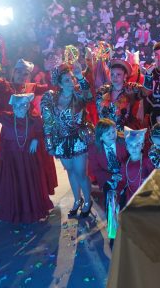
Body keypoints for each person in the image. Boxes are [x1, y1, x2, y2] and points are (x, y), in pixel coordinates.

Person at [41, 63, 94, 218]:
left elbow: (89, 96)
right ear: (59, 84)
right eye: (66, 80)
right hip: (61, 141)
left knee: (81, 173)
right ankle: (77, 200)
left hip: (78, 138)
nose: (71, 81)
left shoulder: (79, 94)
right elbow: (48, 122)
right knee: (70, 171)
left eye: (72, 78)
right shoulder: (51, 98)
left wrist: (79, 76)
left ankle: (87, 201)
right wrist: (50, 144)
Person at [0, 93, 54, 223]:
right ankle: (16, 210)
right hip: (12, 159)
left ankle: (32, 209)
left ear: (28, 107)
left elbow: (41, 132)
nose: (21, 108)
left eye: (24, 105)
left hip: (28, 158)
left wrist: (36, 140)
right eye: (18, 106)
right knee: (15, 183)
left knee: (30, 182)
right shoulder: (6, 118)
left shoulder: (34, 119)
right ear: (13, 107)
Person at [88, 119, 127, 246]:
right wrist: (110, 178)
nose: (112, 135)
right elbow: (95, 168)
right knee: (111, 202)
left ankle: (130, 229)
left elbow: (131, 159)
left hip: (125, 176)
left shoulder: (123, 141)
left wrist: (122, 175)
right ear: (101, 137)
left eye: (113, 131)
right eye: (108, 134)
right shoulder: (94, 148)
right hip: (108, 178)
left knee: (126, 202)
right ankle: (114, 234)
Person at [95, 59, 150, 130]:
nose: (115, 77)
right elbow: (88, 97)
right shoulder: (103, 90)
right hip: (105, 134)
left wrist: (148, 76)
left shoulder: (130, 88)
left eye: (118, 74)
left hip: (124, 135)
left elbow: (146, 92)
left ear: (125, 76)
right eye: (112, 74)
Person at [123, 127, 155, 197]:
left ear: (142, 146)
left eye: (137, 145)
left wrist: (148, 180)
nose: (134, 148)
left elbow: (154, 177)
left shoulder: (147, 161)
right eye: (131, 145)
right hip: (130, 195)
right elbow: (123, 181)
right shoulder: (125, 164)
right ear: (126, 147)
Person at [142, 43, 160, 125]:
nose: (159, 58)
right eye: (156, 55)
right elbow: (145, 93)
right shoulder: (151, 72)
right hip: (154, 112)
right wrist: (148, 75)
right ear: (153, 57)